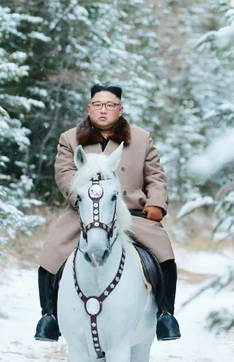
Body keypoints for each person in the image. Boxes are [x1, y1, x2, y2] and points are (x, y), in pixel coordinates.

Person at [34, 84, 180, 343]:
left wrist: (156, 203)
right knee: (51, 254)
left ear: (120, 109)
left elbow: (156, 176)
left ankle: (165, 316)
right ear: (90, 108)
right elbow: (65, 175)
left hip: (132, 213)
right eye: (98, 105)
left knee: (164, 256)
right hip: (84, 212)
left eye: (110, 105)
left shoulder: (141, 138)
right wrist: (83, 200)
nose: (103, 110)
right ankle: (49, 317)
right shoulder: (70, 139)